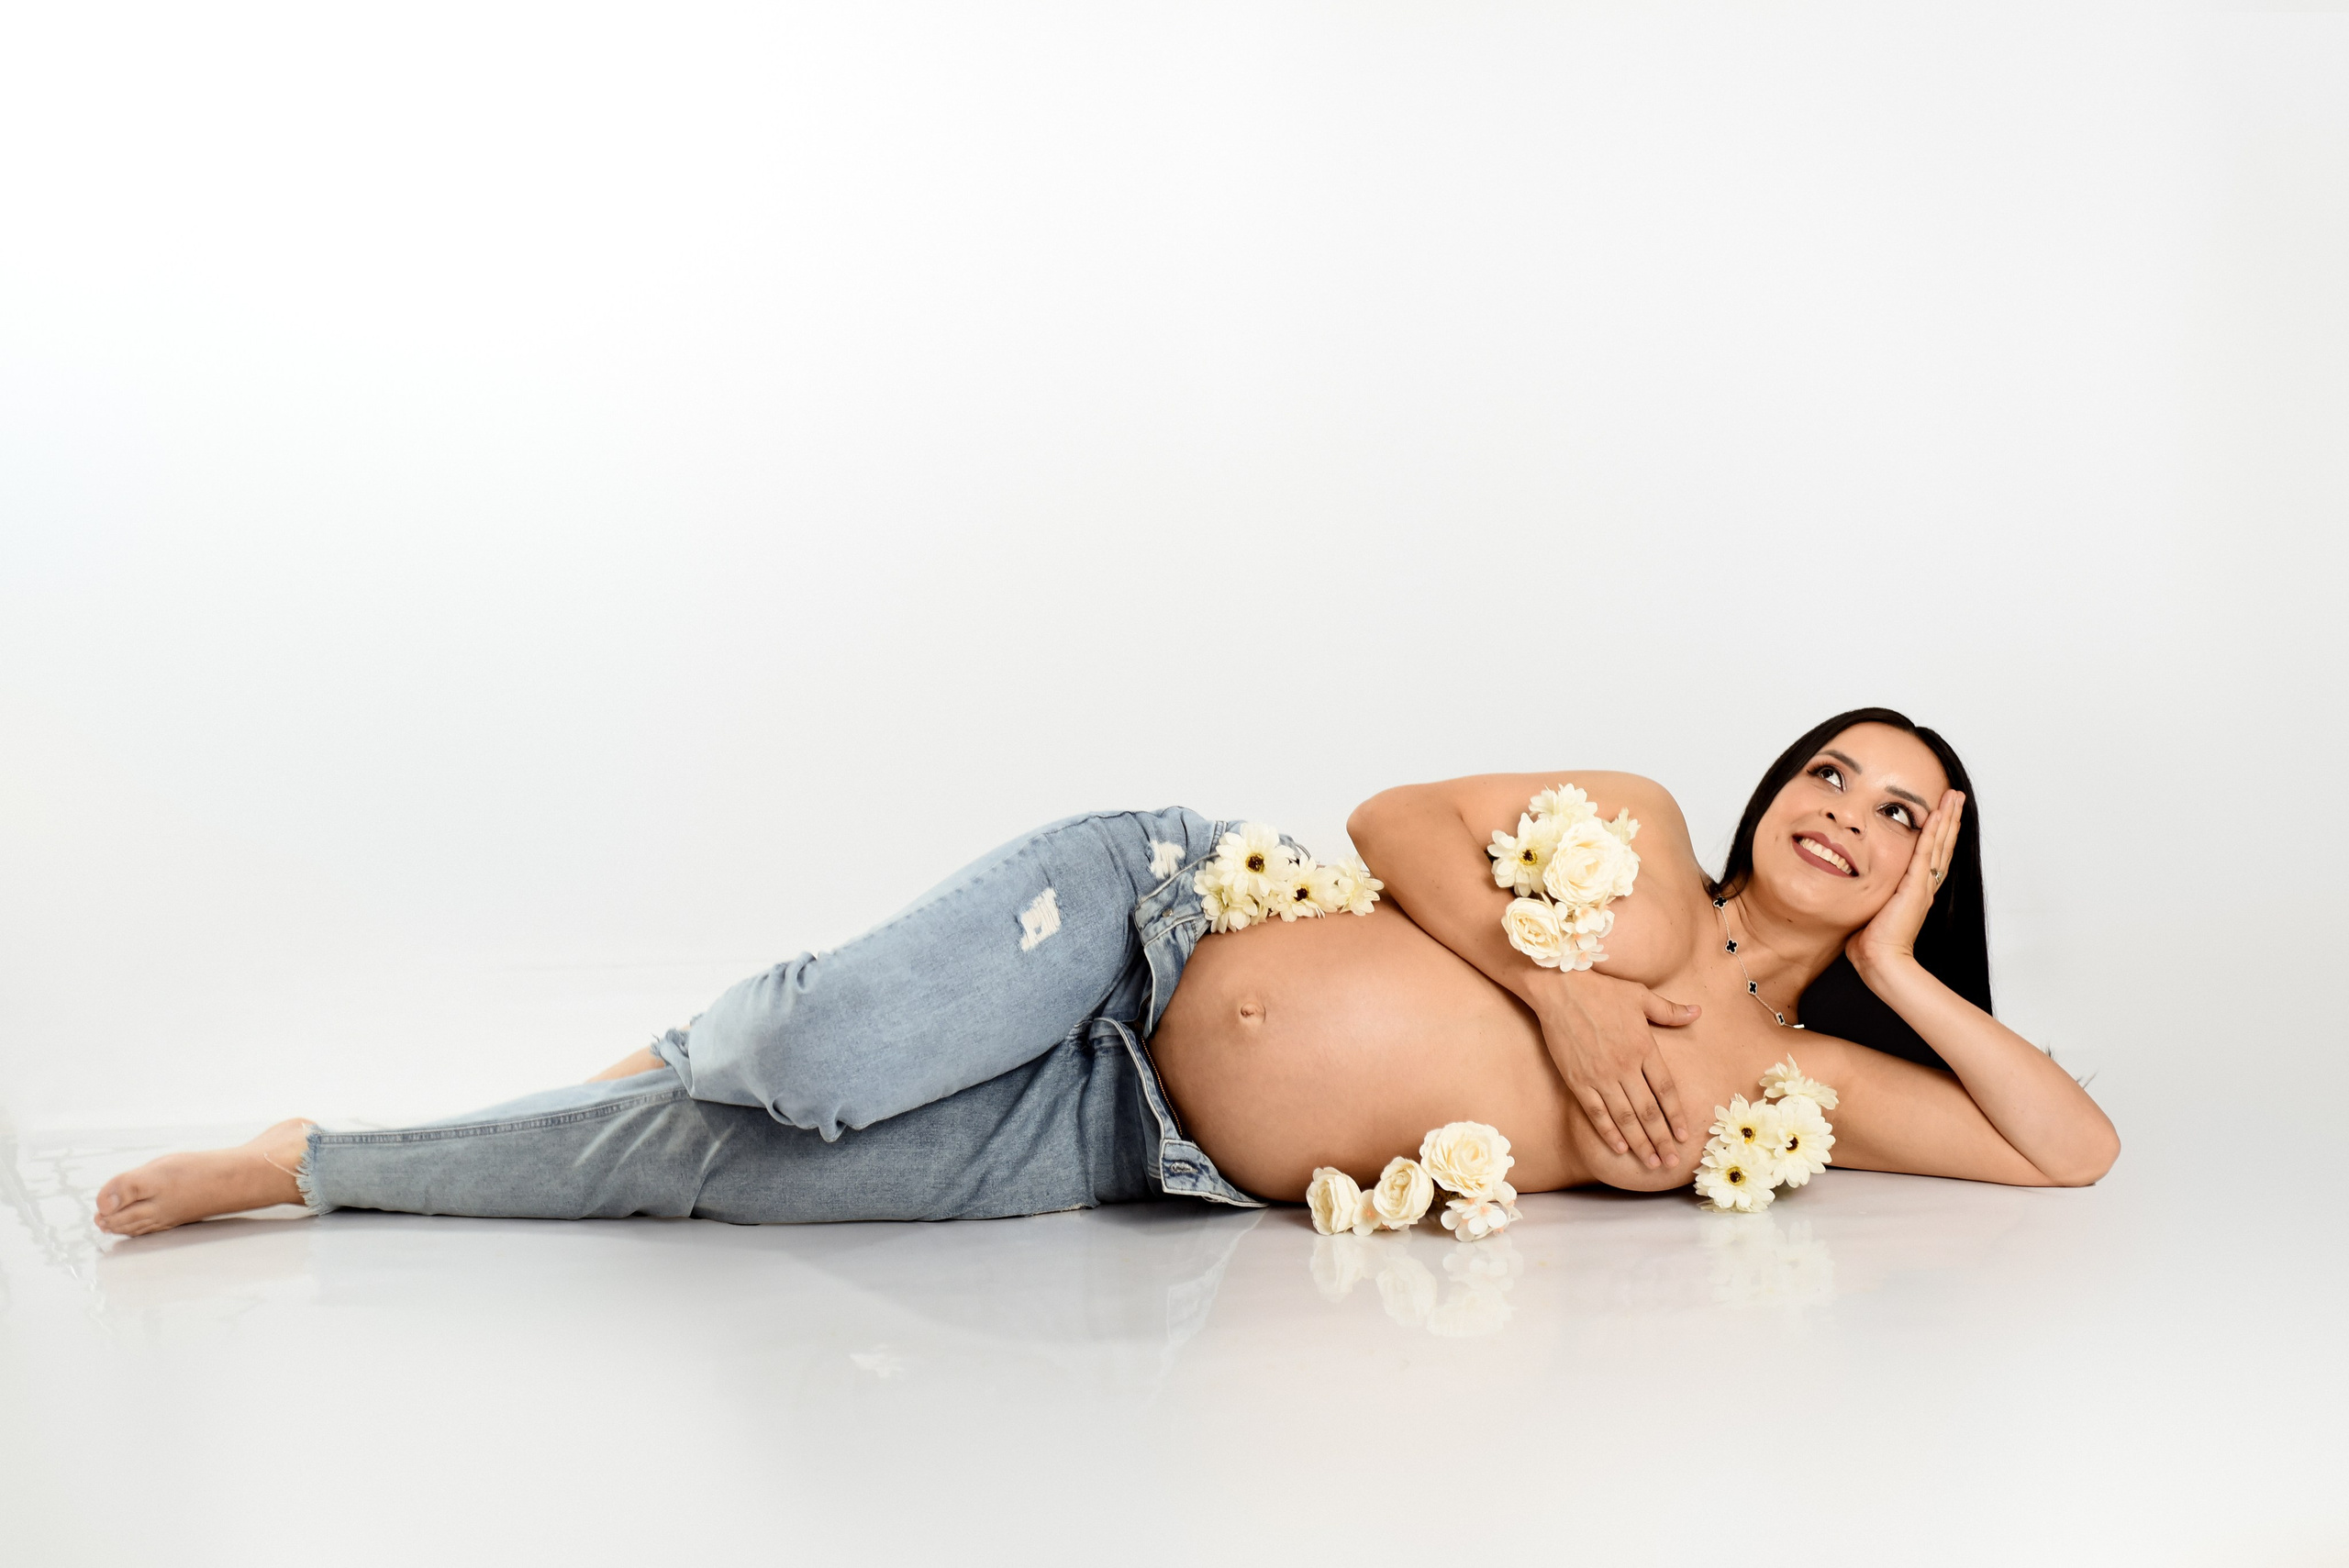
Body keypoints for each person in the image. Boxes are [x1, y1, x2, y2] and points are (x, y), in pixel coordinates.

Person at [91, 708, 2119, 1238]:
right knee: (794, 1052)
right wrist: (1571, 990)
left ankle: (314, 1160)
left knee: (707, 1171)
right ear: (1777, 782)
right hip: (1147, 919)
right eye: (1837, 775)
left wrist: (1894, 964)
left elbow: (2065, 1153)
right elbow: (1404, 814)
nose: (1849, 809)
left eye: (1905, 814)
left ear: (1926, 874)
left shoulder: (1802, 1086)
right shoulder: (1645, 836)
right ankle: (708, 1039)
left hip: (1124, 1142)